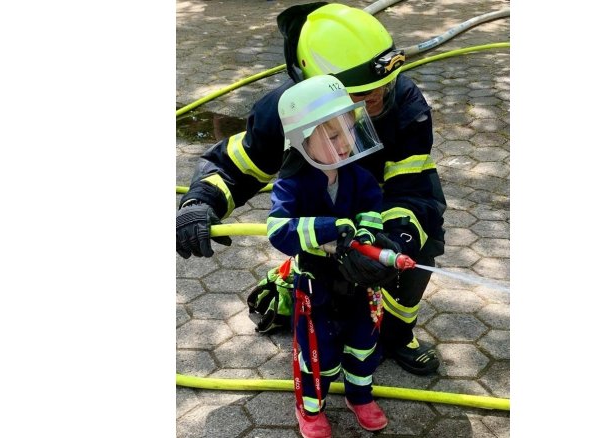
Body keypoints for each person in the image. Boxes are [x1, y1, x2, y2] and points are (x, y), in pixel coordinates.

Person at [176, 2, 446, 375]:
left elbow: (414, 190)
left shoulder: (406, 106)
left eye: (385, 84)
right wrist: (198, 203)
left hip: (375, 202)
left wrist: (393, 242)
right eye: (363, 95)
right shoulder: (283, 112)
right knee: (327, 287)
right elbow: (236, 166)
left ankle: (397, 334)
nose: (379, 98)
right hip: (321, 209)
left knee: (424, 243)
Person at [268, 74, 393, 438]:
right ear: (303, 141)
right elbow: (279, 230)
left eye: (349, 131)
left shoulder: (359, 176)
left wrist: (371, 241)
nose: (345, 144)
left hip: (359, 285)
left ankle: (360, 396)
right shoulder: (292, 183)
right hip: (316, 290)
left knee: (363, 343)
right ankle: (310, 409)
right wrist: (326, 230)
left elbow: (372, 211)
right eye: (333, 136)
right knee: (316, 353)